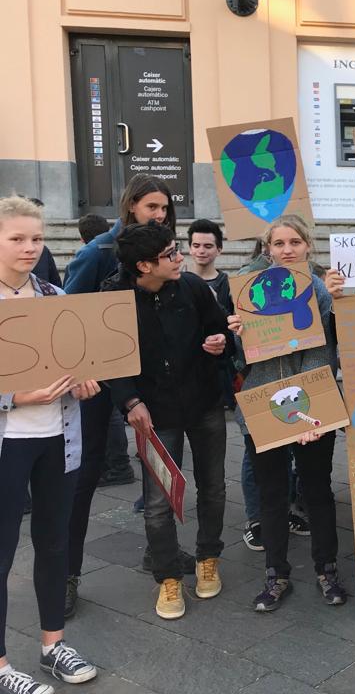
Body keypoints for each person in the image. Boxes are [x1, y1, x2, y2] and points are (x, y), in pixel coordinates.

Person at [104, 222, 233, 620]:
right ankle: (168, 577)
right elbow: (109, 358)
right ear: (144, 265)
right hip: (154, 414)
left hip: (204, 403)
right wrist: (129, 401)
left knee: (212, 486)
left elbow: (220, 329)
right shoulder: (113, 297)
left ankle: (208, 557)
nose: (180, 258)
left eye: (178, 250)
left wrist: (219, 343)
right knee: (158, 501)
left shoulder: (193, 287)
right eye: (171, 254)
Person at [62, 174, 177, 618]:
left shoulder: (164, 255)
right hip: (97, 384)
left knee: (161, 466)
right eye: (152, 207)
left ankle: (160, 553)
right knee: (84, 478)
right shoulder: (98, 253)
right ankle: (67, 574)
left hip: (148, 382)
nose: (160, 215)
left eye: (165, 208)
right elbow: (67, 314)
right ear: (131, 206)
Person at [0, 197, 99, 694]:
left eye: (35, 238)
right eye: (17, 238)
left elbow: (76, 365)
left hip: (57, 438)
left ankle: (51, 645)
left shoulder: (55, 297)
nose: (29, 247)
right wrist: (14, 396)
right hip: (8, 442)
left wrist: (83, 381)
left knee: (54, 543)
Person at [229, 215, 348, 612]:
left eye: (294, 242)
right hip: (264, 403)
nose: (287, 250)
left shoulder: (322, 288)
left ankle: (326, 569)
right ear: (268, 249)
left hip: (315, 403)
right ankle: (276, 574)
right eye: (279, 243)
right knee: (273, 495)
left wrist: (338, 301)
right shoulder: (248, 289)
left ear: (307, 246)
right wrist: (234, 332)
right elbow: (236, 359)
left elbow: (341, 341)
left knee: (316, 492)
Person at [187, 219, 236, 410]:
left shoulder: (229, 285)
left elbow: (234, 329)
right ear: (190, 249)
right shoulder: (176, 282)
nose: (201, 251)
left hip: (218, 370)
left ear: (219, 249)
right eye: (196, 245)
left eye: (208, 246)